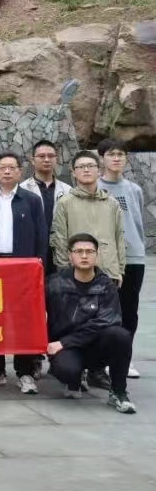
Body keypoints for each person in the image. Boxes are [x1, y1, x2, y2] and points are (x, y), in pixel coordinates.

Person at [51, 150, 127, 393]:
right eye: (81, 166)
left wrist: (119, 268)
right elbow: (59, 238)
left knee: (108, 326)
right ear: (73, 173)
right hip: (74, 277)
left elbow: (119, 237)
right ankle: (72, 365)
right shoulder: (65, 202)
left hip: (106, 273)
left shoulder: (111, 203)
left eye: (91, 166)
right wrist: (65, 272)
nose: (86, 170)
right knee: (75, 321)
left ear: (99, 170)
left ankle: (97, 371)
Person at [0, 152, 47, 394]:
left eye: (11, 167)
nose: (7, 171)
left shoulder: (31, 200)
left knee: (22, 321)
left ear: (19, 171)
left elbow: (41, 236)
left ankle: (25, 372)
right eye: (2, 168)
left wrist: (39, 268)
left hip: (22, 269)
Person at [46, 233, 136, 414]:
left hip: (94, 346)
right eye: (79, 251)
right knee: (67, 370)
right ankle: (74, 377)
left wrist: (64, 342)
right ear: (70, 255)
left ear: (97, 255)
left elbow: (106, 321)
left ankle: (118, 392)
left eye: (89, 251)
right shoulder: (54, 284)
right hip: (67, 349)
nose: (84, 256)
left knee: (121, 336)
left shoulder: (107, 286)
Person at [96, 138, 146, 379]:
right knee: (105, 310)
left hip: (133, 257)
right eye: (111, 154)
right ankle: (103, 359)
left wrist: (138, 247)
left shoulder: (134, 189)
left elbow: (137, 222)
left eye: (121, 154)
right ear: (101, 158)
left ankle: (125, 357)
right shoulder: (95, 187)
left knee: (129, 310)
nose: (116, 158)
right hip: (106, 258)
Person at [20, 139, 71, 273]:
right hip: (32, 250)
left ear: (56, 159)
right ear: (33, 160)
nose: (47, 160)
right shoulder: (22, 190)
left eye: (51, 156)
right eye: (42, 156)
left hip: (60, 251)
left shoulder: (68, 190)